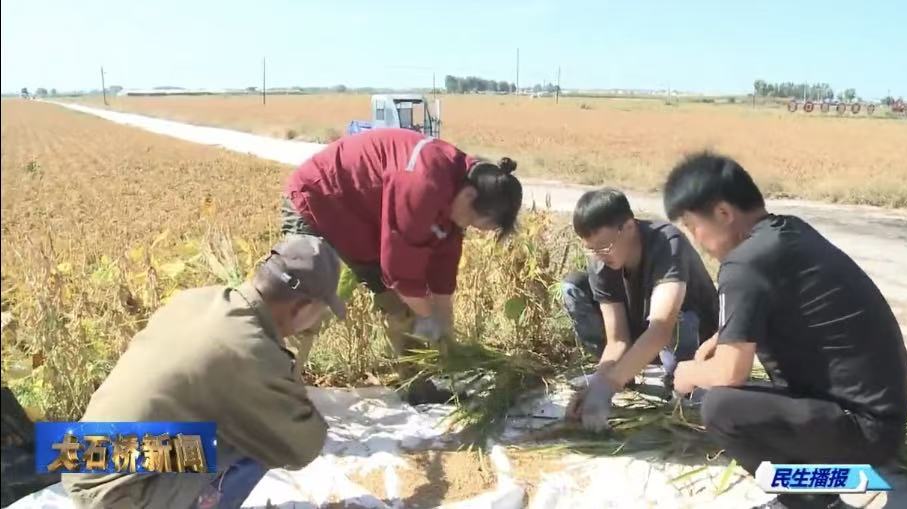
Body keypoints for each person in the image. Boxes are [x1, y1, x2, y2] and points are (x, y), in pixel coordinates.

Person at [663, 152, 907, 509]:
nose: (695, 240)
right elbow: (775, 306)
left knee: (720, 407)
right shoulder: (787, 232)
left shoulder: (743, 263)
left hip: (863, 433)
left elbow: (730, 372)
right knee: (729, 394)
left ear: (723, 213)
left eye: (692, 226)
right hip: (882, 421)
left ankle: (810, 498)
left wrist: (687, 373)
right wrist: (720, 338)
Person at [62, 235, 345, 509]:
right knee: (261, 435)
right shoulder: (250, 348)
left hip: (83, 459)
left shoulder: (195, 300)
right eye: (320, 312)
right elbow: (303, 446)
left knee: (236, 422)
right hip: (115, 496)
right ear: (302, 308)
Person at [282, 128, 523, 402]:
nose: (469, 228)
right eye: (473, 222)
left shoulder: (457, 197)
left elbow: (442, 280)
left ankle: (417, 389)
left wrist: (446, 336)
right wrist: (431, 322)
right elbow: (399, 273)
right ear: (469, 197)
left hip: (366, 227)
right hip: (319, 201)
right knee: (305, 304)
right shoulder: (423, 183)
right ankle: (275, 393)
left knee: (402, 308)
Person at [562, 188, 719, 431]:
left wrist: (609, 385)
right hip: (643, 334)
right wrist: (599, 384)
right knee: (573, 287)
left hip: (688, 334)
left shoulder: (667, 243)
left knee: (683, 383)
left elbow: (661, 328)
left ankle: (686, 381)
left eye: (604, 247)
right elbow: (617, 340)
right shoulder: (601, 262)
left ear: (628, 227)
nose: (599, 256)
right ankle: (626, 373)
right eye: (591, 249)